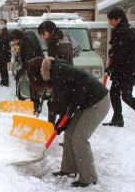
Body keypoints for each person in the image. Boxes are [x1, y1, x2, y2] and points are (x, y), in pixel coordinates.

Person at [27, 57, 110, 187]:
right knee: (69, 131)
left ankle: (89, 176)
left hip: (98, 102)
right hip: (86, 103)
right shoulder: (53, 76)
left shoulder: (59, 69)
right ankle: (69, 168)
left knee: (80, 138)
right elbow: (66, 96)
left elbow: (83, 78)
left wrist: (74, 104)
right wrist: (62, 121)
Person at [103, 7, 135, 127]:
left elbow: (120, 52)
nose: (110, 23)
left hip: (126, 69)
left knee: (126, 96)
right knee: (114, 92)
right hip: (124, 69)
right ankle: (118, 118)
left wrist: (112, 66)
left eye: (111, 20)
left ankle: (118, 118)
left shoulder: (124, 31)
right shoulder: (123, 29)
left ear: (118, 18)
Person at [37, 21, 73, 124]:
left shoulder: (54, 43)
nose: (43, 37)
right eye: (41, 35)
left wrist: (49, 79)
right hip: (67, 76)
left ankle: (53, 127)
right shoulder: (63, 38)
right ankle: (60, 125)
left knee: (54, 104)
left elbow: (52, 63)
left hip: (61, 78)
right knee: (62, 104)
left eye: (44, 34)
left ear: (52, 32)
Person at [10, 29, 44, 111]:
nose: (15, 43)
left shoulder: (28, 42)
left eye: (15, 40)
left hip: (36, 64)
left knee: (33, 85)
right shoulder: (26, 37)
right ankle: (33, 104)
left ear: (19, 38)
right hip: (36, 62)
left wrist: (22, 71)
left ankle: (35, 106)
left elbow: (29, 60)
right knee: (32, 85)